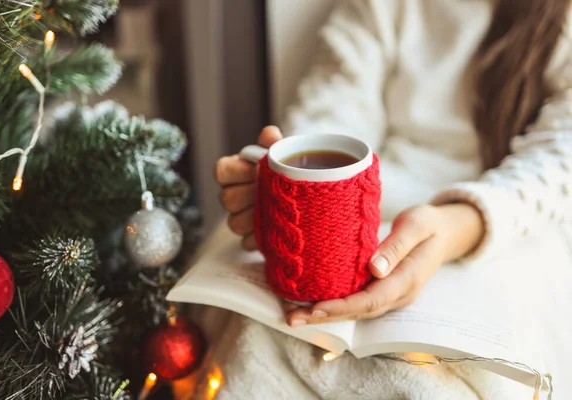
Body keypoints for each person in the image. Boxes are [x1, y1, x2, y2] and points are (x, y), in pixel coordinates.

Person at [213, 0, 572, 398]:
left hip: (503, 224)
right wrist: (292, 183)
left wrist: (462, 222)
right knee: (258, 340)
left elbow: (560, 157)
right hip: (375, 218)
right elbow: (335, 108)